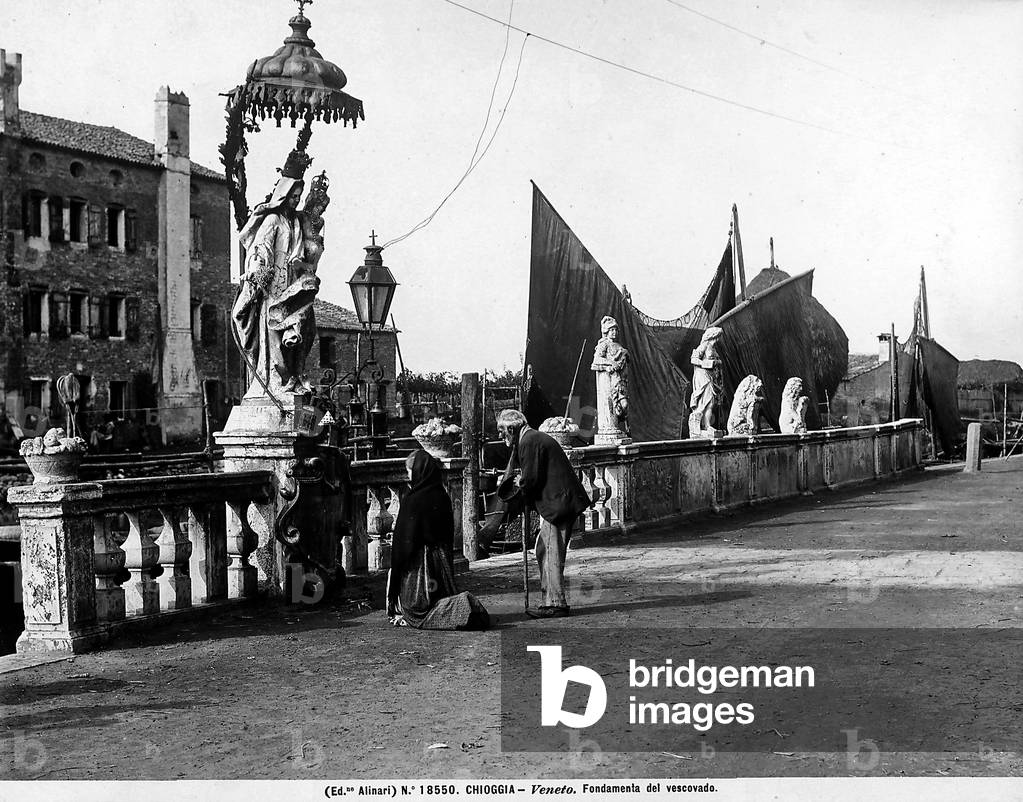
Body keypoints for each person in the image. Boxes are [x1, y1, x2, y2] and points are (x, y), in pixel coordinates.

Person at [232, 169, 320, 400]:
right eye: (293, 196)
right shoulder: (273, 220)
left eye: (299, 196)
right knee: (275, 337)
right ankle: (276, 382)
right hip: (274, 289)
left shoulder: (297, 223)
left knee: (305, 331)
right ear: (283, 196)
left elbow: (308, 248)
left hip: (294, 284)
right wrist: (257, 271)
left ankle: (295, 377)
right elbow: (261, 248)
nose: (296, 200)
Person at [497, 409, 590, 619]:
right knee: (543, 550)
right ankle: (552, 600)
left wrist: (518, 484)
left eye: (502, 431)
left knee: (550, 552)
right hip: (560, 501)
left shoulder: (528, 441)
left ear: (512, 429)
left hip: (558, 504)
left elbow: (530, 479)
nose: (501, 437)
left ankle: (556, 604)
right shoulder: (532, 438)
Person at [386, 450, 490, 630]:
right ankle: (462, 606)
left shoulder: (413, 499)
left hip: (420, 569)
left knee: (416, 611)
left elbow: (404, 546)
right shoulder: (441, 495)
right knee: (436, 597)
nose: (409, 476)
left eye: (410, 471)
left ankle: (464, 607)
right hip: (440, 567)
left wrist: (396, 578)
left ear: (418, 471)